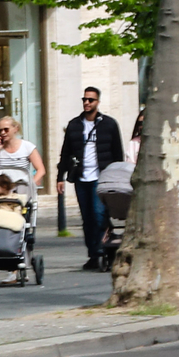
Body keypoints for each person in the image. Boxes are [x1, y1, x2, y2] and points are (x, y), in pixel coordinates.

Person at [56, 87, 125, 271]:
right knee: (87, 218)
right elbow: (65, 153)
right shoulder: (74, 125)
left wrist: (118, 177)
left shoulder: (109, 124)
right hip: (81, 178)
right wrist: (60, 177)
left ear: (98, 102)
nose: (87, 103)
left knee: (98, 214)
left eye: (91, 100)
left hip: (101, 177)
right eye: (84, 99)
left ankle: (103, 251)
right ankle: (93, 254)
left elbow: (118, 154)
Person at [0, 116, 45, 199]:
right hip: (3, 186)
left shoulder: (27, 147)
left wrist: (32, 184)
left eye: (6, 129)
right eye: (0, 130)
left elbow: (41, 169)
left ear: (15, 129)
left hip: (22, 186)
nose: (3, 133)